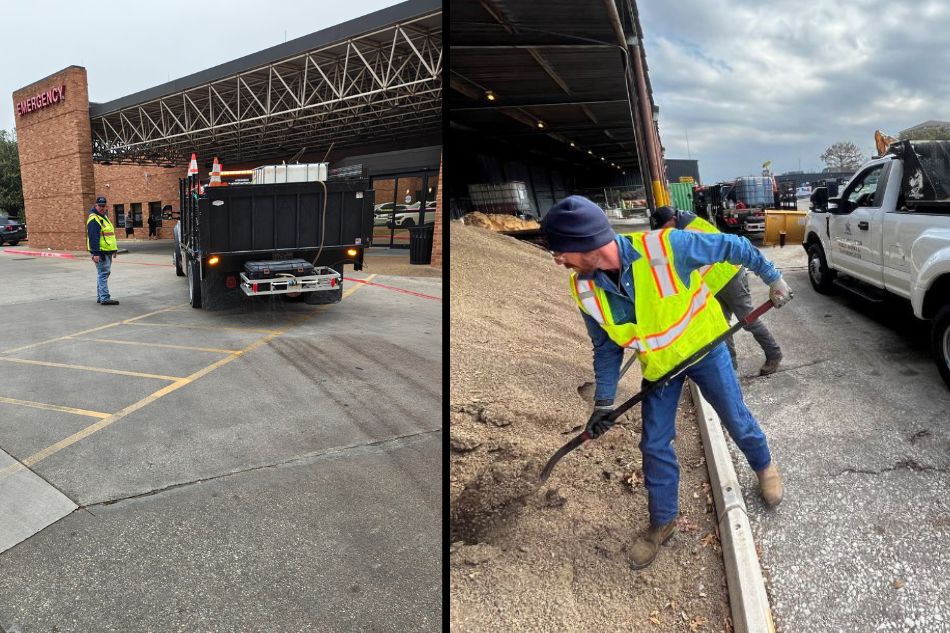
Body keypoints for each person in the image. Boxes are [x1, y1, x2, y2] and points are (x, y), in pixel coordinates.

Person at [541, 195, 791, 570]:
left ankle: (764, 466)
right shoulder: (584, 289)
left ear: (586, 243)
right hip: (659, 369)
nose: (558, 260)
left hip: (704, 351)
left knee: (734, 417)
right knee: (654, 444)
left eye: (561, 251)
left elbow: (735, 246)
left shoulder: (667, 246)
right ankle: (663, 522)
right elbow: (606, 348)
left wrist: (774, 278)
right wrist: (604, 403)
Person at [650, 206, 783, 375]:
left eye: (663, 228)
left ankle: (774, 353)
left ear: (672, 219)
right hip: (714, 286)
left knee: (748, 319)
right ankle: (731, 367)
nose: (663, 233)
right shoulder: (680, 229)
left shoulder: (690, 229)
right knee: (721, 328)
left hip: (730, 275)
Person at [87, 196, 120, 305]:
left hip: (106, 251)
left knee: (101, 274)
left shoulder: (103, 217)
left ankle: (100, 297)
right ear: (95, 205)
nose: (102, 208)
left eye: (103, 206)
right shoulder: (94, 219)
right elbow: (93, 238)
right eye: (100, 205)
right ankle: (105, 298)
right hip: (101, 252)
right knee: (103, 274)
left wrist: (114, 249)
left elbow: (110, 236)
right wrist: (95, 253)